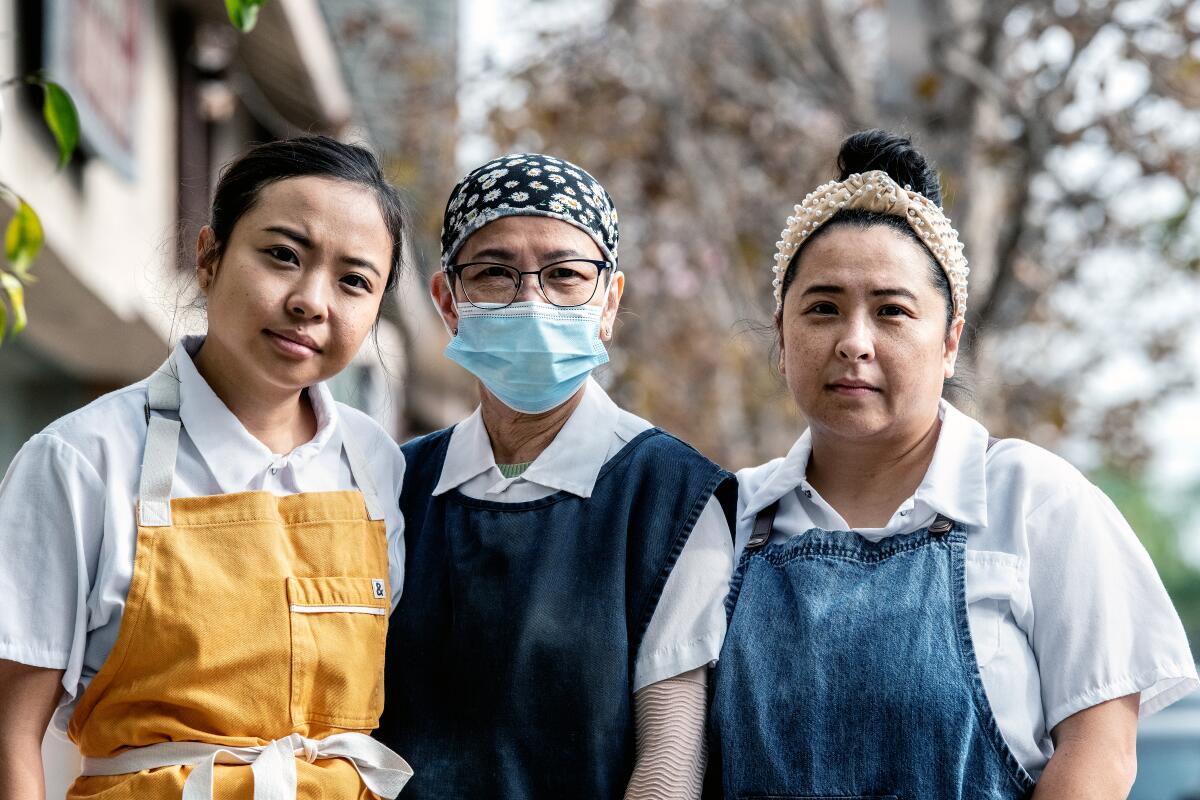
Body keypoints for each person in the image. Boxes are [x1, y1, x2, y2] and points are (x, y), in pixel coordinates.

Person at [708, 130, 1199, 799]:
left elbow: (1100, 757)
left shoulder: (1035, 500)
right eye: (823, 308)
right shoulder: (727, 518)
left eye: (892, 311)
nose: (854, 342)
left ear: (950, 338)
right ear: (783, 334)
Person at [0, 136, 414, 800]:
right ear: (209, 257)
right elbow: (8, 733)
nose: (312, 300)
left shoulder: (376, 466)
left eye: (354, 281)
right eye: (283, 255)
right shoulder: (82, 460)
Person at [377, 153, 738, 799]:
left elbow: (669, 762)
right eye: (495, 273)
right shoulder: (394, 487)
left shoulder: (671, 498)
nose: (531, 301)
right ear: (447, 301)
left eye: (565, 275)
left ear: (608, 301)